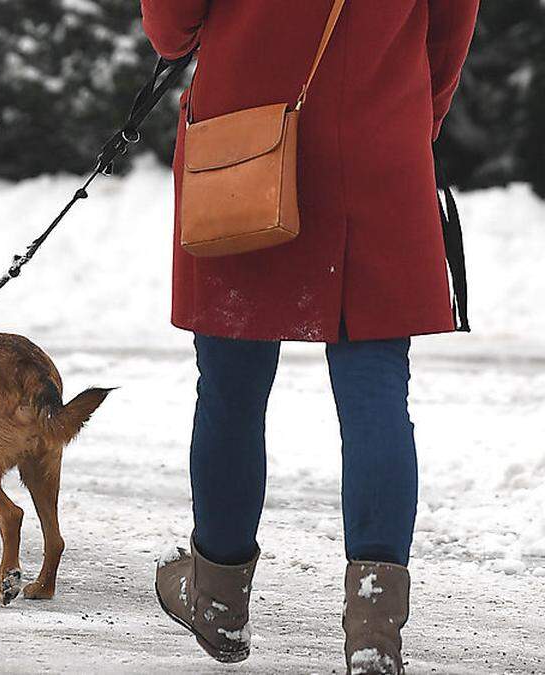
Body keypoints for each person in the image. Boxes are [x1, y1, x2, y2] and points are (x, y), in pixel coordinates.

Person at [139, 1, 479, 673]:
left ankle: (218, 597)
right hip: (382, 137)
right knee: (376, 383)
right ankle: (374, 628)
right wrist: (413, 115)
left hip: (246, 138)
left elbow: (171, 23)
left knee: (232, 384)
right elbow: (450, 24)